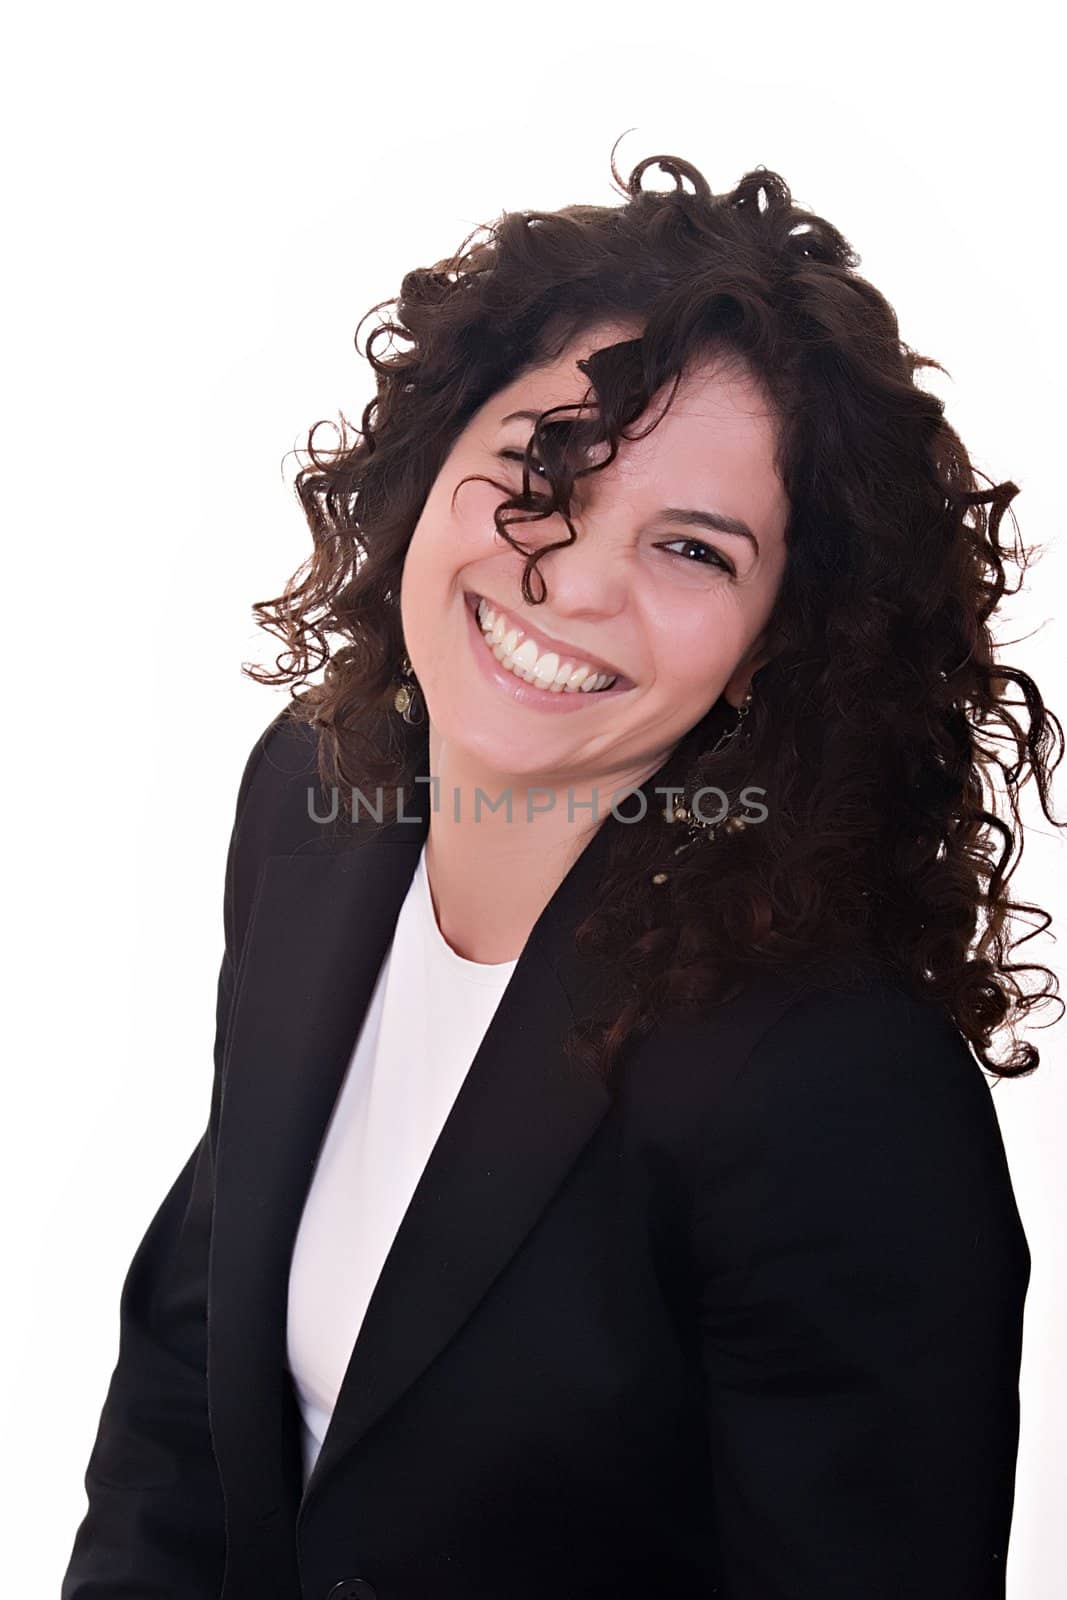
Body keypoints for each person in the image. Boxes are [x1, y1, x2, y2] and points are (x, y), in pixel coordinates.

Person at [61, 140, 1058, 1600]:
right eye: (546, 469)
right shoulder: (312, 800)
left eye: (695, 550)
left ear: (780, 646)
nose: (576, 578)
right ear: (430, 462)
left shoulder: (834, 1083)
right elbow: (188, 1386)